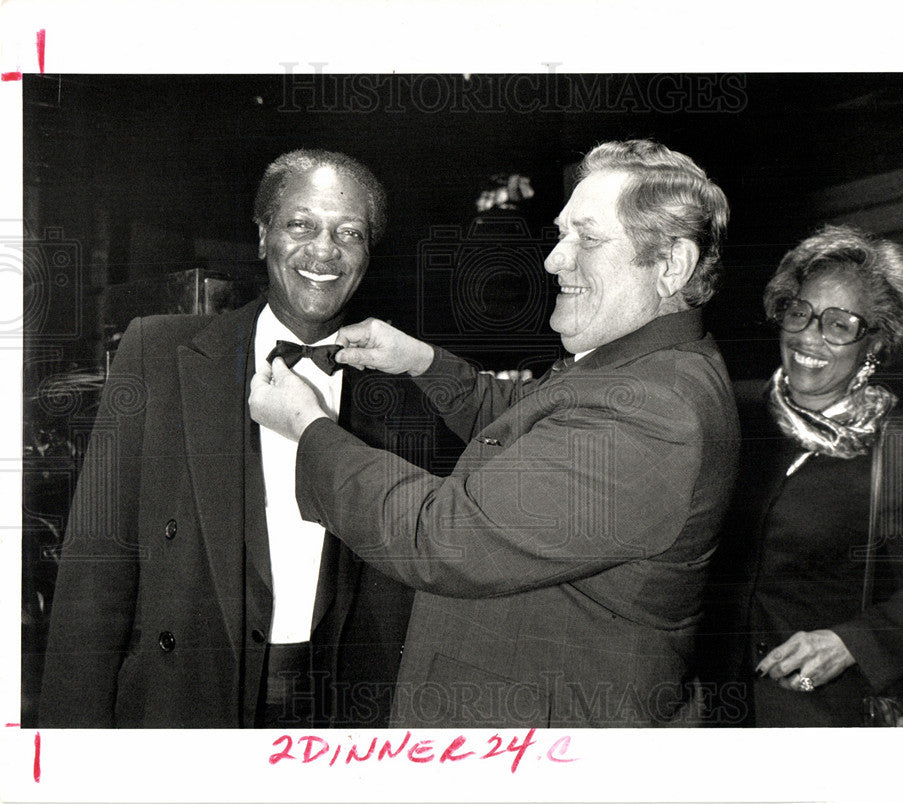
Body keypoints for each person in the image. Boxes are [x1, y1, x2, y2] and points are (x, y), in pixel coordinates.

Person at [250, 139, 739, 727]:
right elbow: (522, 421)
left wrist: (310, 433)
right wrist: (422, 361)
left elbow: (441, 538)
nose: (556, 259)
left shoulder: (656, 413)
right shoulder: (639, 367)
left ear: (670, 266)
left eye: (588, 238)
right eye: (562, 235)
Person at [39, 149, 423, 728]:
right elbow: (96, 568)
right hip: (187, 704)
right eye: (301, 225)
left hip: (343, 714)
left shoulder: (402, 387)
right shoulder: (157, 352)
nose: (325, 250)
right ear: (263, 234)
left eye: (350, 233)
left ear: (368, 253)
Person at [730, 224, 903, 727]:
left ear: (875, 343)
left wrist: (849, 642)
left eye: (839, 325)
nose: (807, 336)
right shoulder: (731, 412)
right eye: (799, 312)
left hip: (810, 714)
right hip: (702, 705)